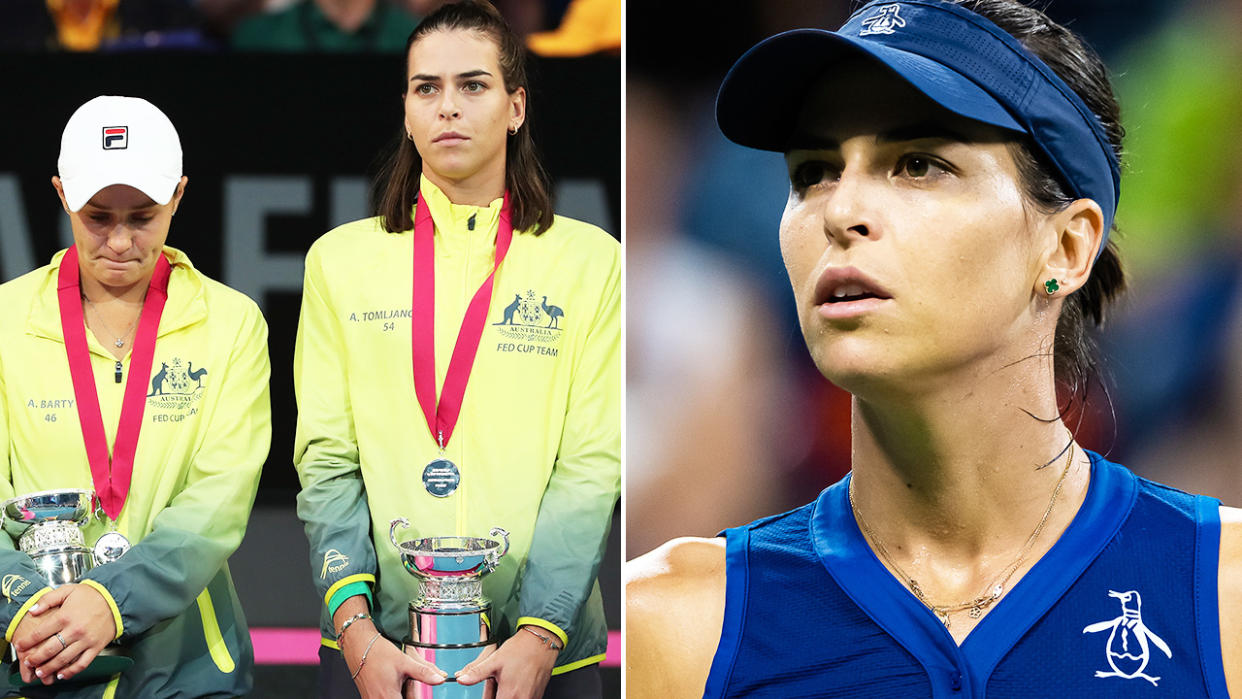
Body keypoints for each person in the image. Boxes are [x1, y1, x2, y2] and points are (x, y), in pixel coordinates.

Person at [625, 0, 1241, 696]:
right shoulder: (669, 623)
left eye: (918, 163)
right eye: (814, 171)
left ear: (1067, 247)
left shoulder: (1225, 598)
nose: (840, 210)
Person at [292, 2, 619, 698]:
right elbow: (325, 459)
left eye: (473, 86)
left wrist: (538, 633)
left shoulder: (593, 262)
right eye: (426, 88)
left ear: (516, 106)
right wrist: (356, 633)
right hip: (372, 652)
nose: (448, 107)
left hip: (549, 657)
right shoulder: (338, 262)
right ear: (406, 110)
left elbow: (592, 463)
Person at [0, 96, 271, 697]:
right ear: (62, 193)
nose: (120, 242)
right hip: (34, 656)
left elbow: (219, 500)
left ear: (178, 196)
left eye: (143, 216)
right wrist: (23, 607)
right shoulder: (4, 319)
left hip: (190, 667)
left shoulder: (232, 323)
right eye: (98, 217)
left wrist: (111, 599)